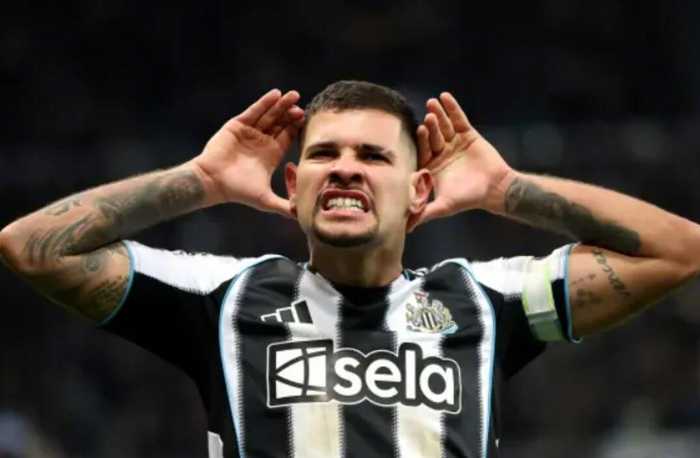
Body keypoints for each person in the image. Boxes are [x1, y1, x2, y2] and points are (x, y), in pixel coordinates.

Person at [0, 80, 698, 458]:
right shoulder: (223, 297)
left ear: (419, 191)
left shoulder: (486, 303)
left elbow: (679, 250)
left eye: (373, 156)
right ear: (294, 184)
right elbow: (33, 248)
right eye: (325, 154)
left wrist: (506, 189)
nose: (345, 169)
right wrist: (199, 181)